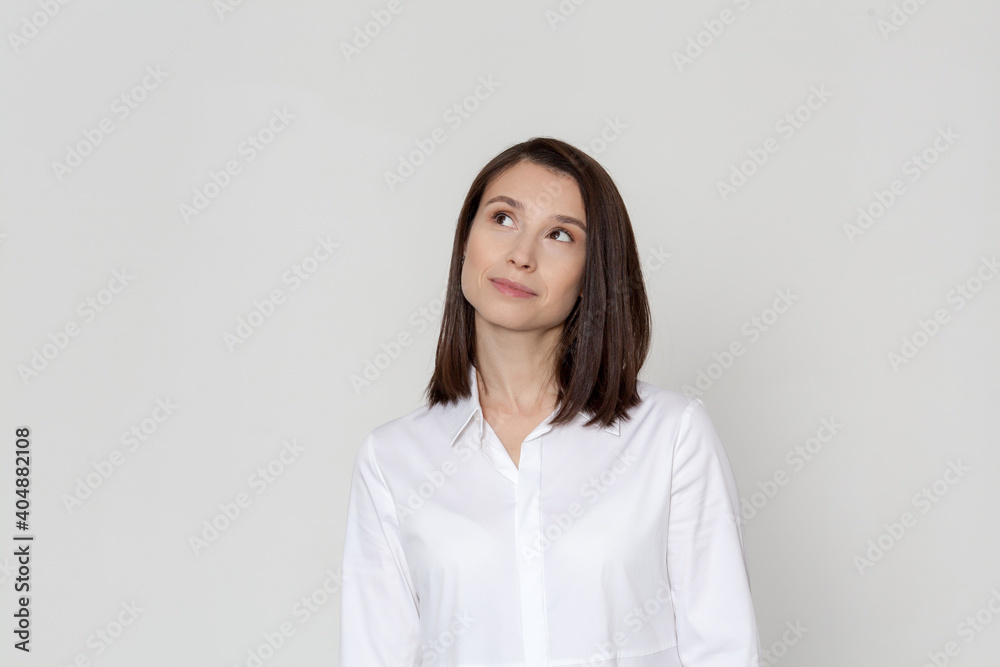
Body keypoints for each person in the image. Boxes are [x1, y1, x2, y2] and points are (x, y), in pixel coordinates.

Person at [339, 137, 761, 666]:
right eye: (502, 219)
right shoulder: (392, 459)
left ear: (593, 273)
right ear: (465, 241)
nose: (521, 255)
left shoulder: (671, 435)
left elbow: (723, 648)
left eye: (560, 235)